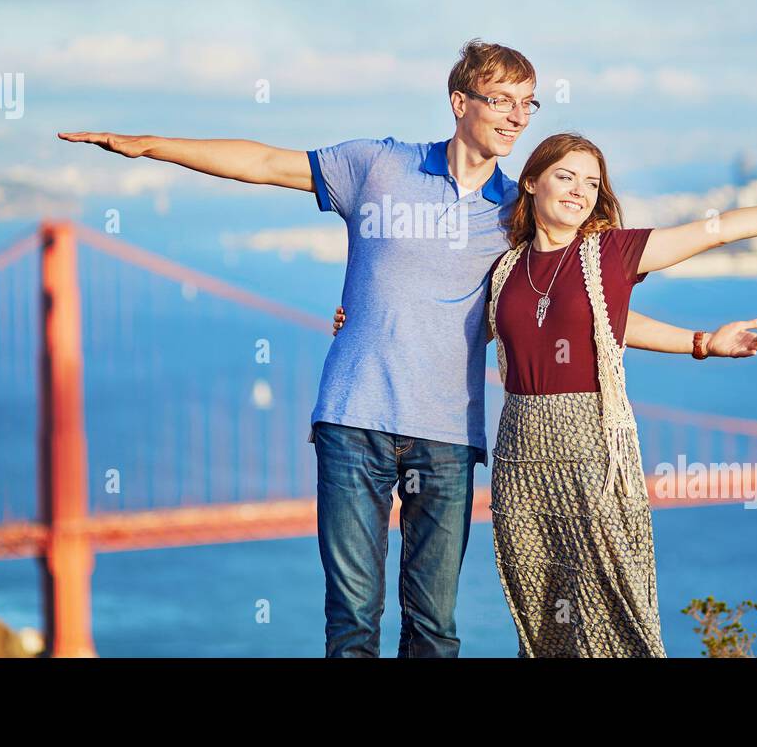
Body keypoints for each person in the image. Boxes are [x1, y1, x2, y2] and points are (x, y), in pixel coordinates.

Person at [58, 38, 539, 657]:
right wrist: (149, 145)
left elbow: (575, 283)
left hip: (446, 435)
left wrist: (697, 326)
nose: (516, 117)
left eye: (528, 104)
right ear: (458, 102)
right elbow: (262, 162)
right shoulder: (379, 165)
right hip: (352, 420)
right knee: (352, 624)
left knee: (433, 632)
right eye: (502, 100)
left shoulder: (515, 214)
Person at [337, 131, 757, 657]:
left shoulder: (610, 255)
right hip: (520, 462)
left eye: (592, 183)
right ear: (530, 183)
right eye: (566, 176)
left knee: (614, 608)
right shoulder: (503, 269)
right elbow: (437, 317)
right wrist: (359, 318)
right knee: (542, 615)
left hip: (595, 452)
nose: (579, 191)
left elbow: (715, 230)